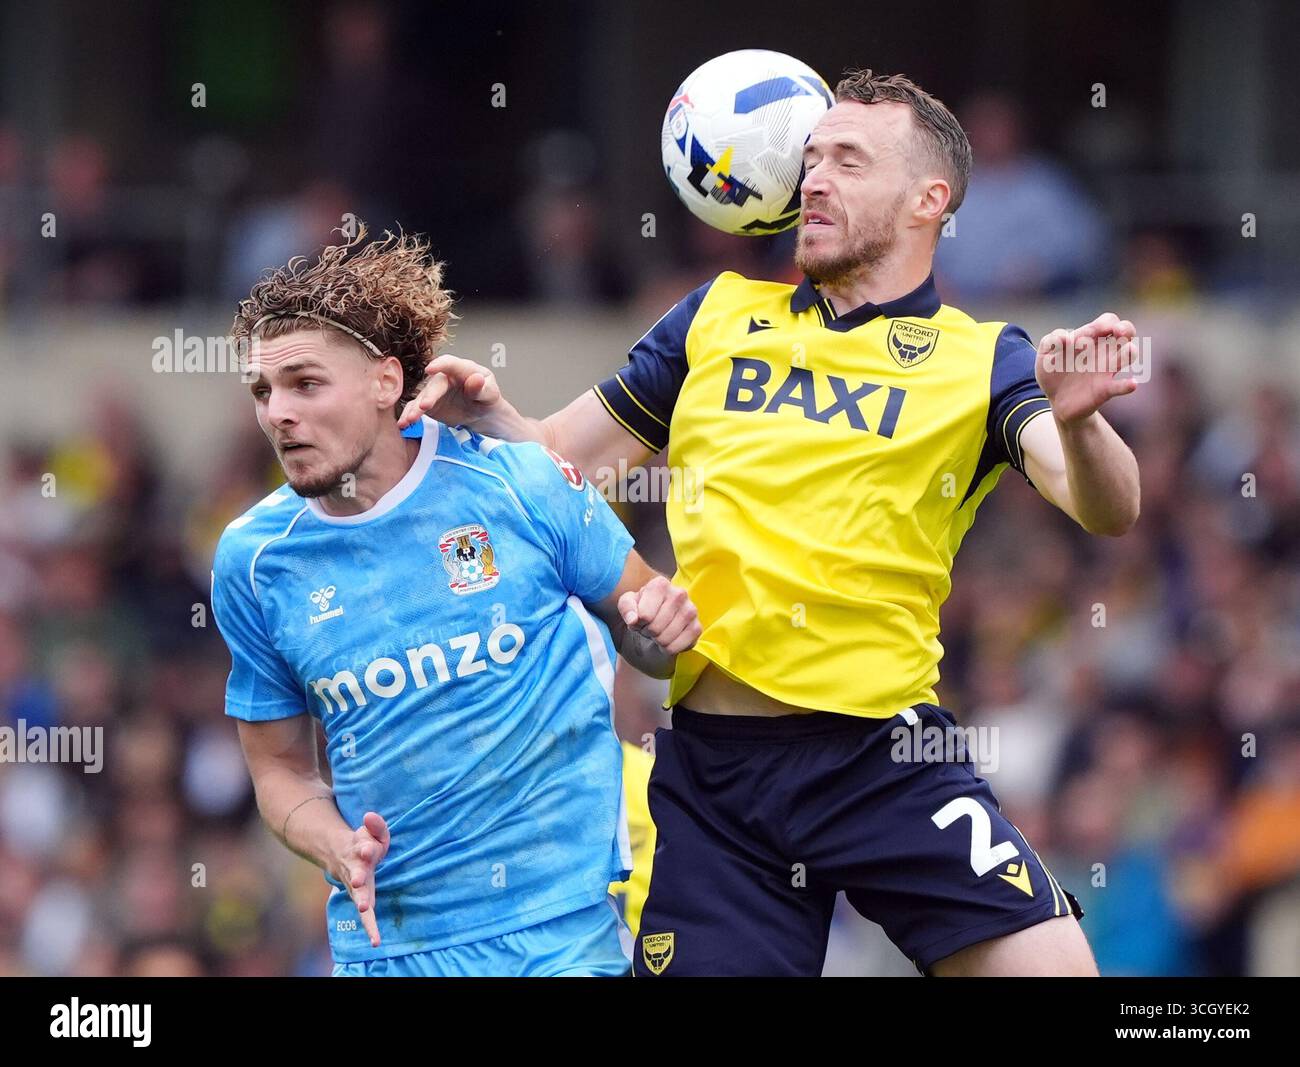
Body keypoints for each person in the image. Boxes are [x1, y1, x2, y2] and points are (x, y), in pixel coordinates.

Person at [400, 70, 1142, 977]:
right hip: (720, 776)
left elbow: (1106, 505)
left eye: (848, 160)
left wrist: (1078, 418)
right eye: (812, 157)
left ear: (928, 200)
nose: (813, 179)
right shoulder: (714, 318)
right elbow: (564, 461)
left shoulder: (985, 357)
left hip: (886, 755)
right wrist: (495, 418)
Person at [211, 230, 700, 977]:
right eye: (263, 392)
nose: (278, 412)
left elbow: (650, 642)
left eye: (305, 384)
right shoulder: (253, 559)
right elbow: (279, 770)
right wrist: (334, 843)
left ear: (385, 382)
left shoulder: (519, 484)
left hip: (556, 934)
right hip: (386, 949)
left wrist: (662, 626)